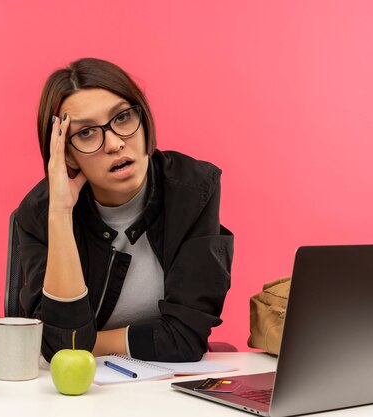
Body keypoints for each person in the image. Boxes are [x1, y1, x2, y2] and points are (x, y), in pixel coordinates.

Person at [16, 57, 233, 362]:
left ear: (143, 120)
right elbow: (61, 343)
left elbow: (185, 338)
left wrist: (86, 344)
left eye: (122, 118)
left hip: (162, 385)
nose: (115, 144)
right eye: (86, 133)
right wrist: (61, 213)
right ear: (68, 155)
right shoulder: (39, 213)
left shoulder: (193, 189)